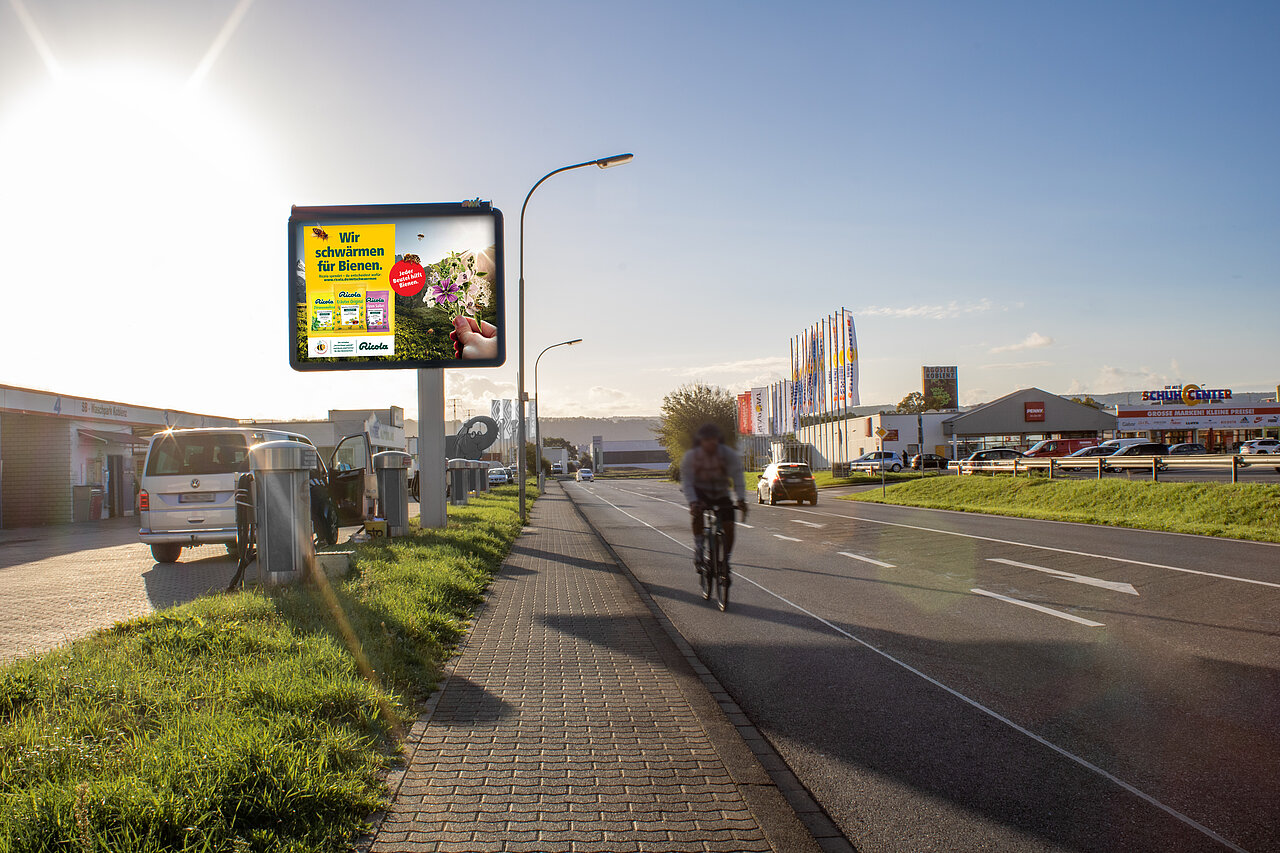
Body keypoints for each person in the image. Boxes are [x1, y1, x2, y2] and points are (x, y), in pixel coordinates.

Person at [679, 423, 747, 574]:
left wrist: (741, 499)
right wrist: (693, 502)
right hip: (700, 492)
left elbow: (738, 477)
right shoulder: (692, 456)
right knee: (697, 514)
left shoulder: (727, 454)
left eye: (714, 439)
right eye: (708, 440)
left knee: (729, 524)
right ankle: (699, 547)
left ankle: (725, 559)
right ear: (701, 441)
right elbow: (687, 481)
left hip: (720, 493)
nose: (712, 443)